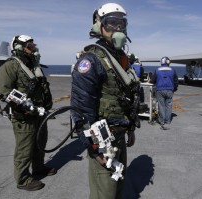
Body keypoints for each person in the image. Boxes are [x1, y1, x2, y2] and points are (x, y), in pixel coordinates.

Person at [70, 3, 140, 199]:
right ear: (98, 26)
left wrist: (131, 127)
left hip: (119, 133)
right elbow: (82, 106)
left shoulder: (120, 59)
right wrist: (93, 145)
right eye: (111, 23)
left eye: (121, 23)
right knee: (105, 192)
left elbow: (128, 95)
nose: (118, 28)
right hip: (102, 139)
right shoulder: (92, 60)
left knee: (118, 185)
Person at [0, 35, 57, 191]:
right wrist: (24, 105)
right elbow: (5, 92)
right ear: (18, 48)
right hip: (23, 116)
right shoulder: (10, 67)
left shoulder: (34, 67)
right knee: (25, 148)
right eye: (30, 46)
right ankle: (23, 179)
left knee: (40, 143)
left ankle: (38, 168)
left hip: (39, 113)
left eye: (34, 46)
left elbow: (43, 87)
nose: (34, 49)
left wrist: (46, 103)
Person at [150, 56, 178, 130]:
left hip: (160, 90)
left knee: (161, 106)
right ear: (168, 62)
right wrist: (174, 88)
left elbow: (153, 80)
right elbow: (176, 80)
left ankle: (162, 121)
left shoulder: (157, 70)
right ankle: (168, 121)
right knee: (169, 105)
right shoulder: (173, 70)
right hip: (170, 90)